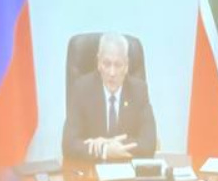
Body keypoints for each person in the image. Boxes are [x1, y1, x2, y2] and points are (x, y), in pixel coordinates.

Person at [62, 32, 156, 161]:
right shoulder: (81, 89)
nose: (112, 73)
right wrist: (105, 151)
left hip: (127, 168)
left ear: (126, 66)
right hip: (90, 169)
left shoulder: (138, 90)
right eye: (107, 64)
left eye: (118, 65)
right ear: (98, 63)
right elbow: (68, 144)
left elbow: (149, 143)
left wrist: (108, 144)